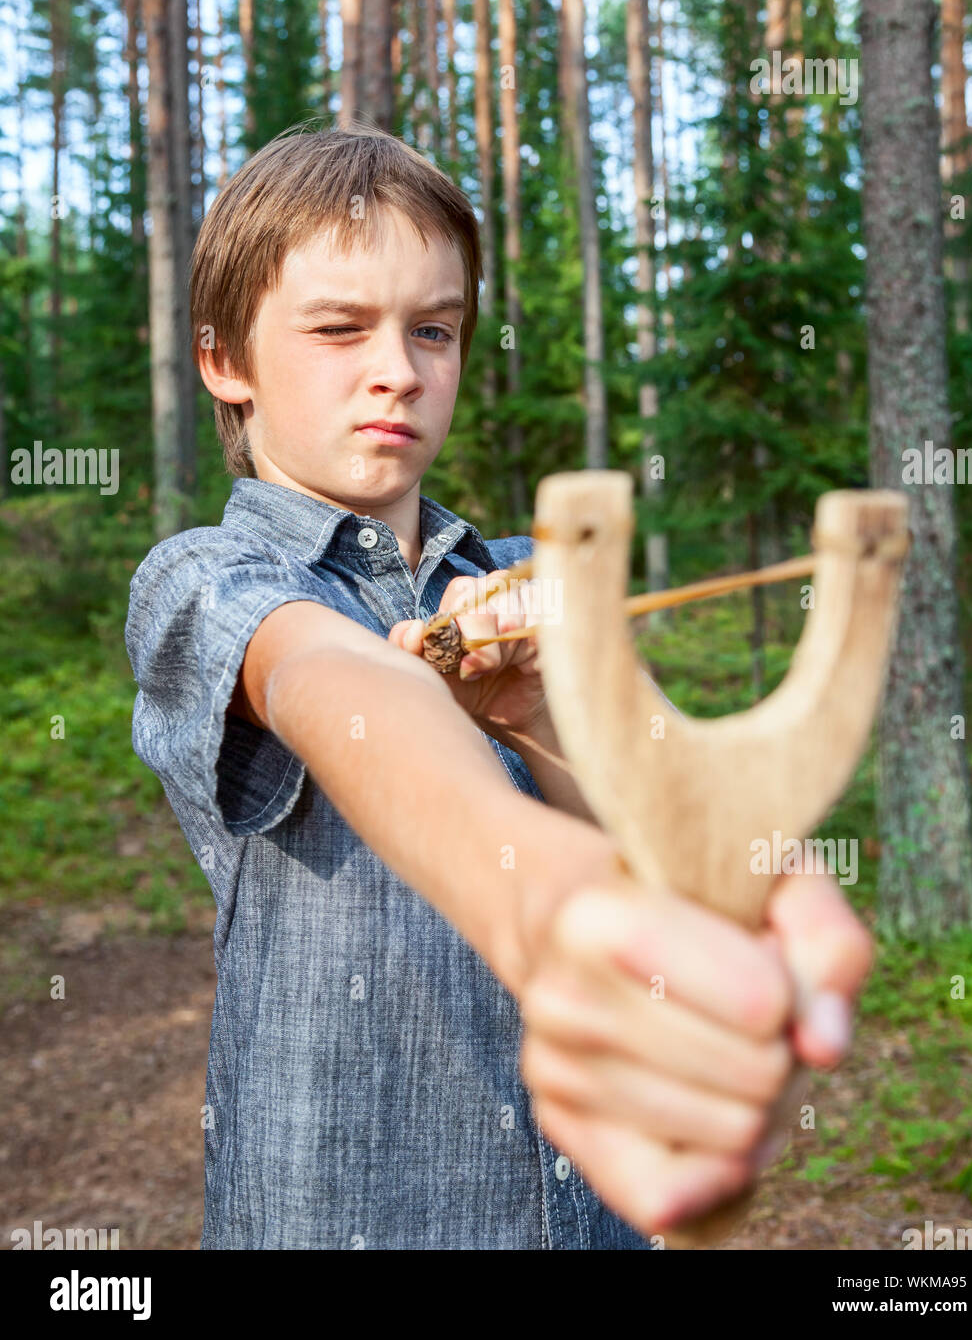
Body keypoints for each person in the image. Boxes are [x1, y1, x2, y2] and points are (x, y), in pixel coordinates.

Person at [125, 123, 872, 1249]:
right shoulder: (206, 575)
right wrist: (545, 905)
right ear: (224, 359)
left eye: (435, 328)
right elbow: (329, 682)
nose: (399, 370)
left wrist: (544, 712)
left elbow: (663, 828)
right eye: (339, 329)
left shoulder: (530, 577)